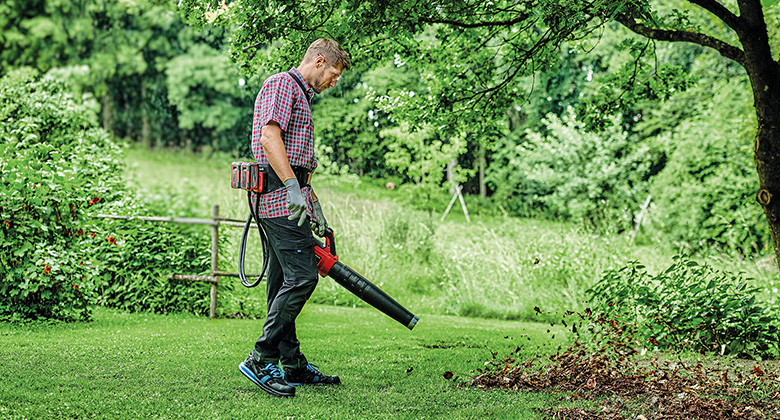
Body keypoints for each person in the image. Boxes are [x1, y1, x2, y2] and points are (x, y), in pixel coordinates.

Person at [238, 38, 350, 398]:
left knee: (282, 281)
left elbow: (299, 161)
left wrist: (310, 199)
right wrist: (290, 187)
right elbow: (270, 139)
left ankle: (293, 366)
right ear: (319, 61)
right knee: (302, 278)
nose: (335, 82)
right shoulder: (282, 85)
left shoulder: (302, 95)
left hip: (291, 199)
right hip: (278, 201)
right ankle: (260, 358)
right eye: (333, 74)